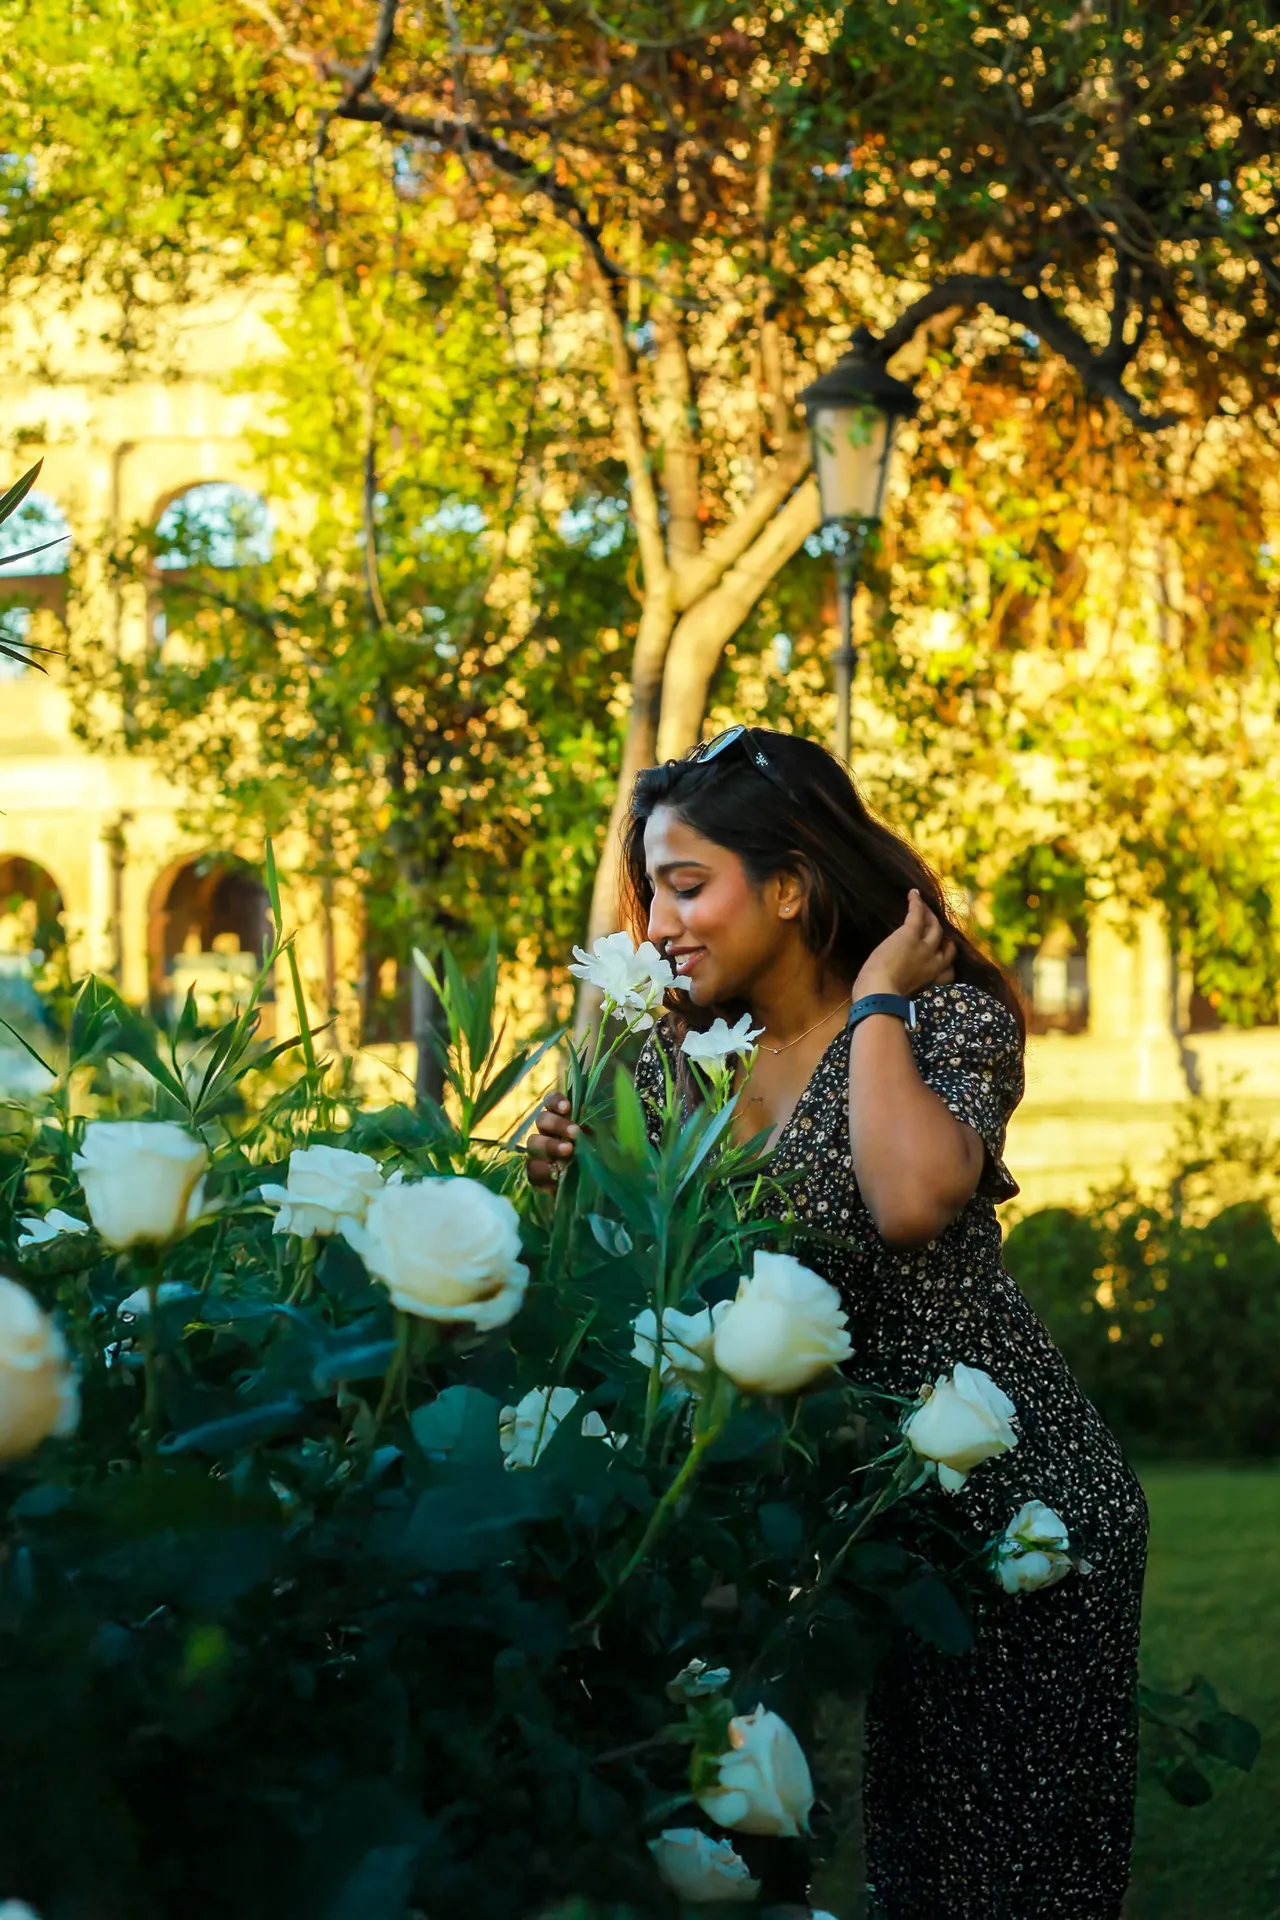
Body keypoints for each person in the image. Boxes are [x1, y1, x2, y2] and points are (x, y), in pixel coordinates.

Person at [530, 727, 1148, 1920]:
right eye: (652, 892)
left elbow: (907, 1204)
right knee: (835, 1857)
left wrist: (874, 1003)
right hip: (824, 1517)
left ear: (789, 886)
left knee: (996, 1879)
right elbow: (628, 1299)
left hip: (1014, 1508)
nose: (658, 924)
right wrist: (566, 1186)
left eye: (687, 885)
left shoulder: (943, 1023)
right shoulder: (670, 1063)